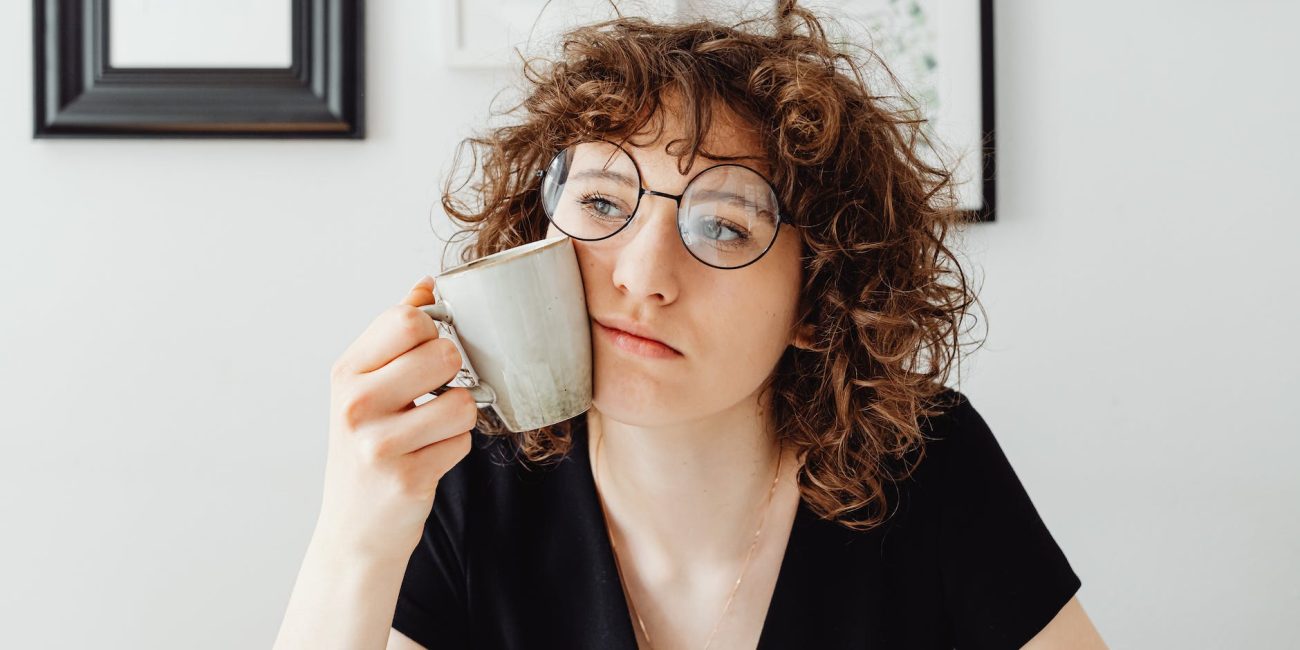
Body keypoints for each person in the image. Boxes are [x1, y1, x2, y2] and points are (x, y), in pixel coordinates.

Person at [275, 2, 1108, 648]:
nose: (640, 275)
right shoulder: (461, 476)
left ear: (819, 304)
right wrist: (356, 535)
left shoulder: (925, 463)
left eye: (724, 227)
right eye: (601, 202)